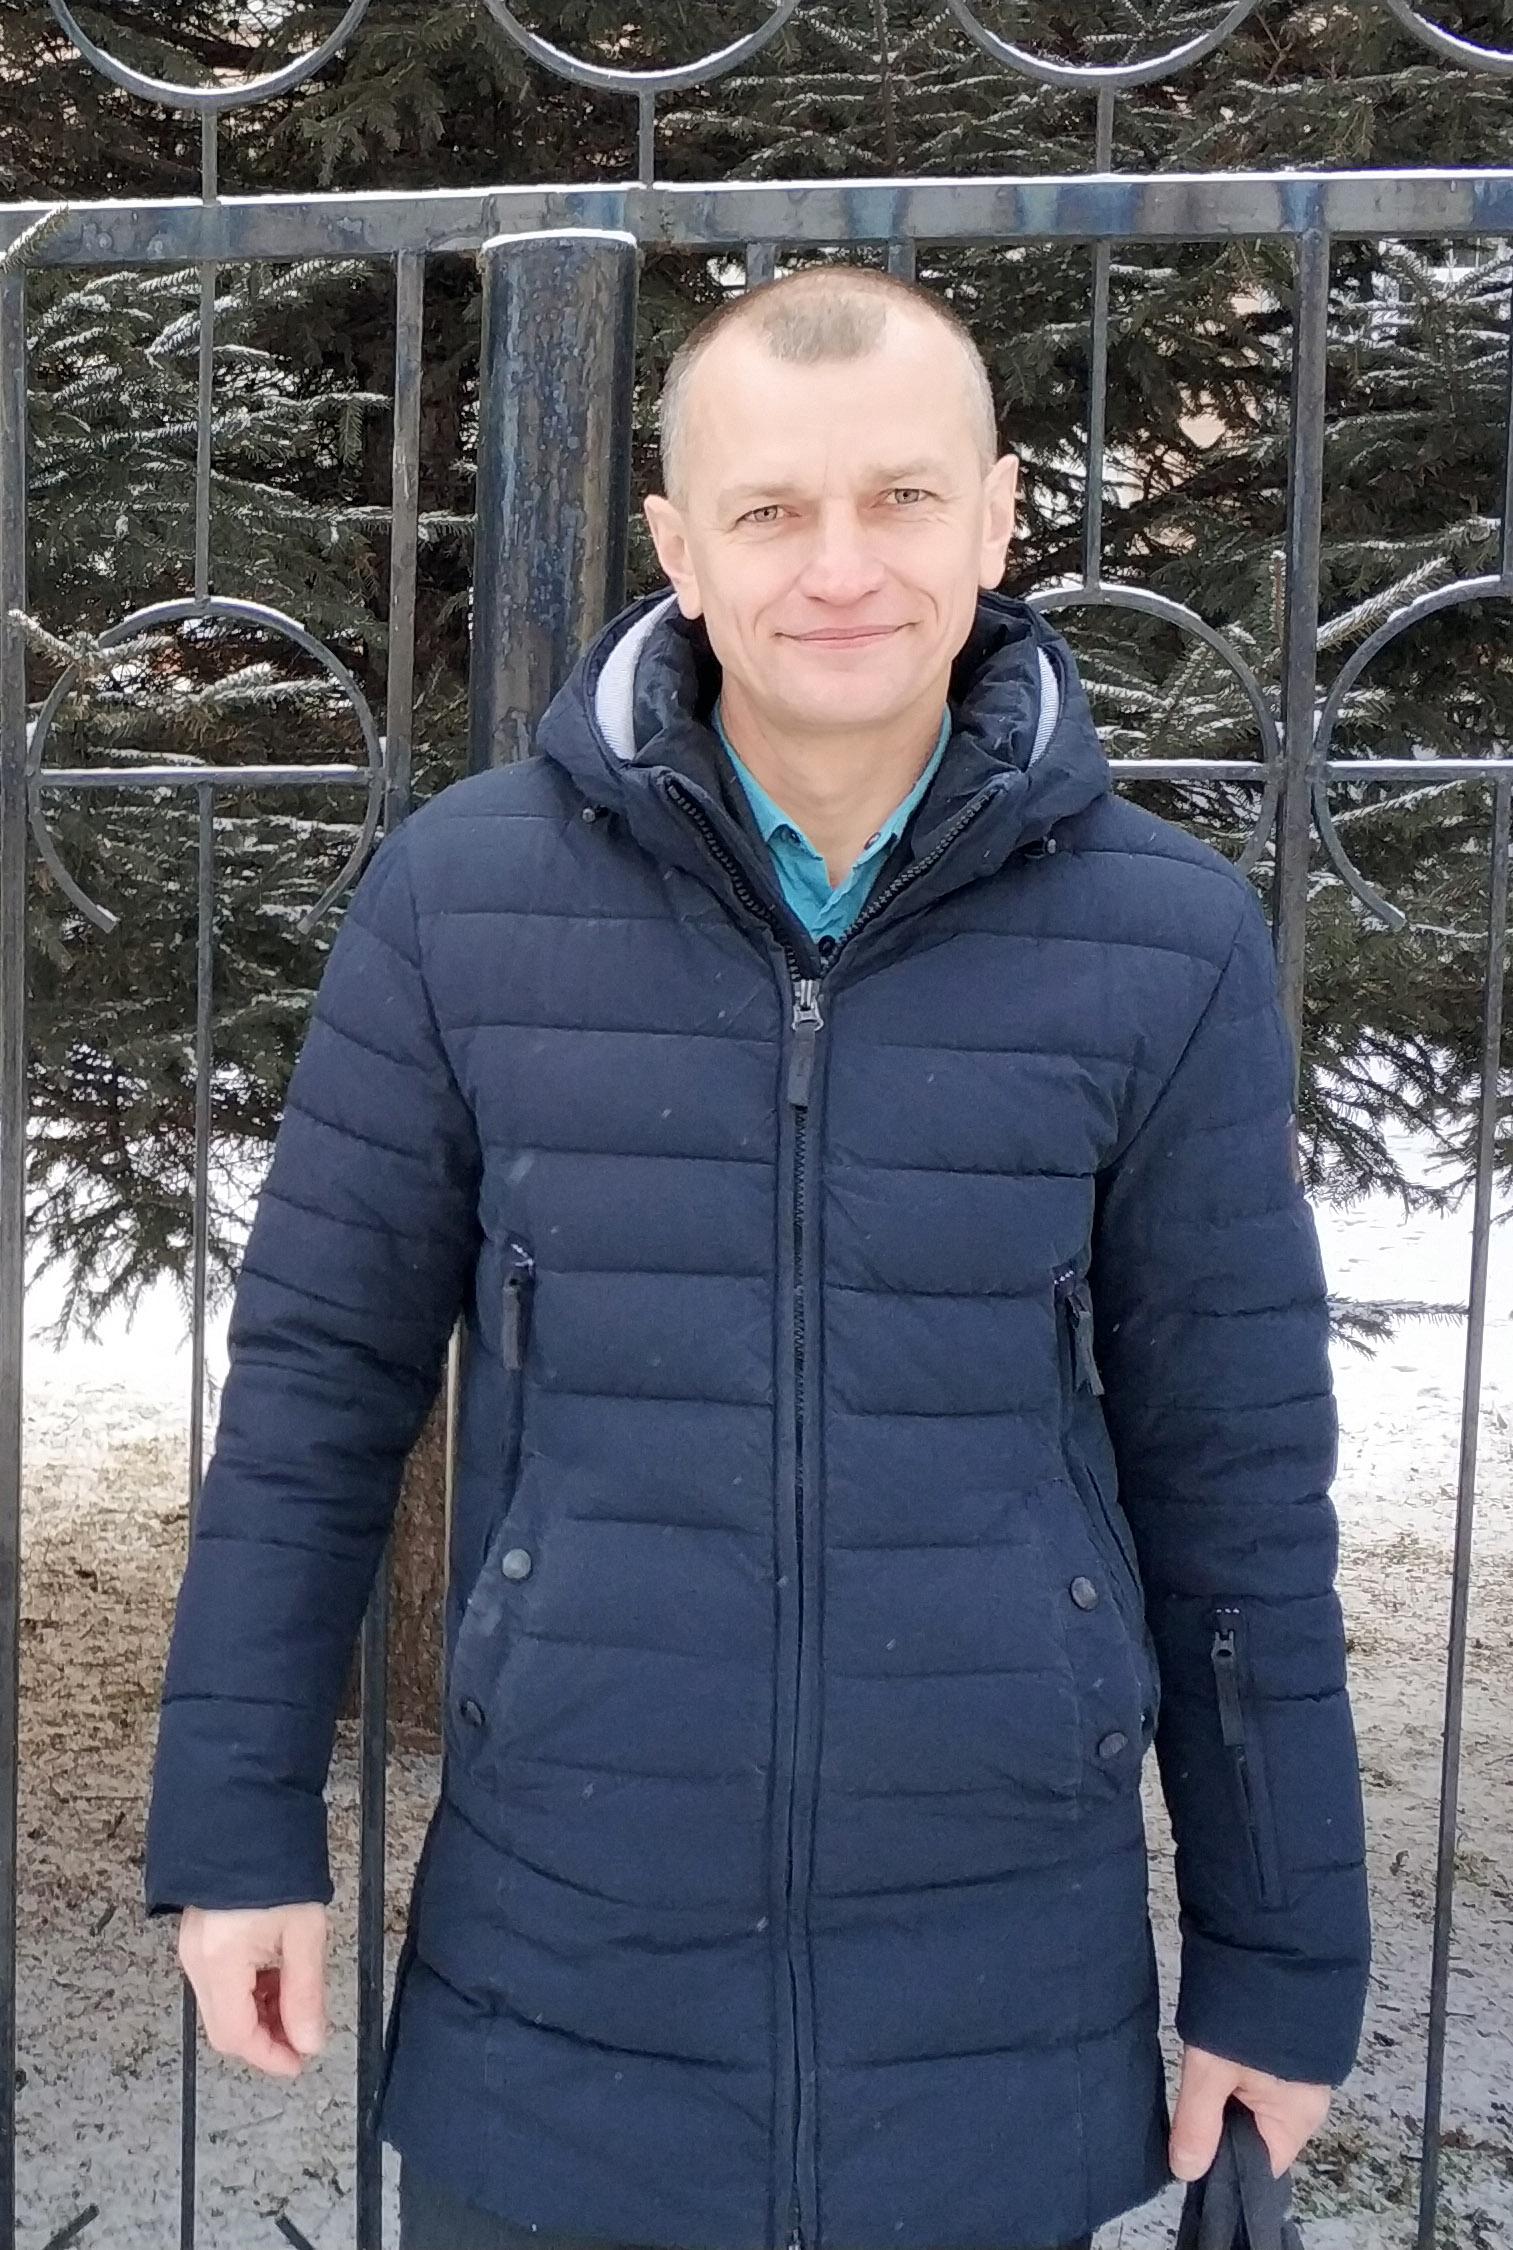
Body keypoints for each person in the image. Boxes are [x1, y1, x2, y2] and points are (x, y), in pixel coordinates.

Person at [143, 264, 1371, 2250]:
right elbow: (310, 1402)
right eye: (771, 509)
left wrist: (1279, 1957)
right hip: (558, 2001)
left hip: (991, 2014)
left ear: (997, 518)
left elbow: (1234, 1483)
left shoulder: (1165, 943)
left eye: (901, 498)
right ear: (678, 547)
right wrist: (235, 1831)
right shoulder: (460, 903)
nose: (841, 567)